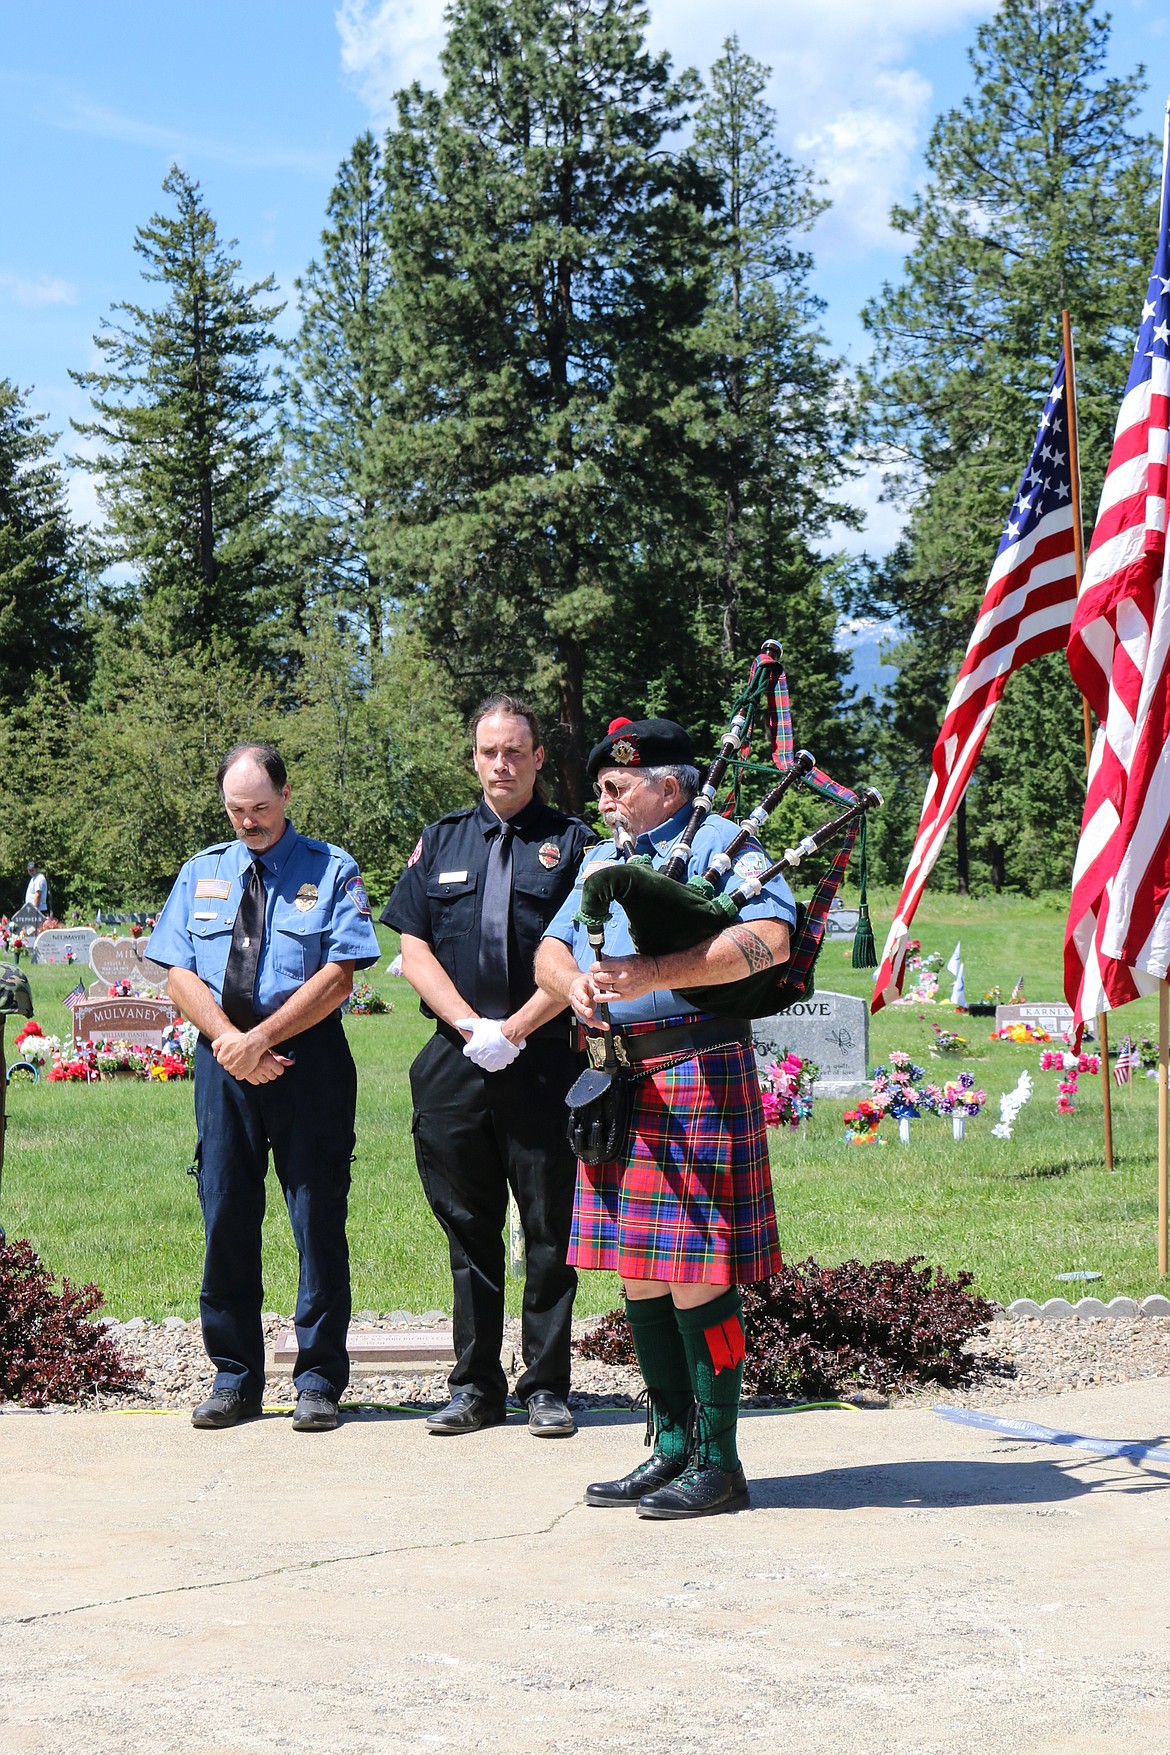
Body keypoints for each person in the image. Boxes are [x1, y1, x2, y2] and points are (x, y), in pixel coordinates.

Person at [535, 716, 794, 1519]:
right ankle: (671, 1444)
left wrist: (655, 969)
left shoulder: (727, 844)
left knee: (697, 1269)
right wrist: (571, 984)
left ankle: (720, 1460)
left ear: (669, 786)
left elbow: (771, 941)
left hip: (695, 1063)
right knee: (640, 1267)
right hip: (617, 1073)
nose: (604, 799)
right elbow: (552, 947)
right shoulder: (602, 857)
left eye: (617, 786)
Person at [148, 743, 381, 1434]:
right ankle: (235, 1377)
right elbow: (177, 971)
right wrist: (230, 1041)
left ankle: (317, 1380)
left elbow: (340, 974)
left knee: (316, 1219)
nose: (248, 820)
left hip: (307, 1063)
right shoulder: (202, 871)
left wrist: (263, 1038)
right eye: (236, 808)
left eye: (260, 806)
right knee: (224, 1213)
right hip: (225, 1065)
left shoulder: (330, 868)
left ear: (286, 794)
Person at [382, 695, 593, 1438]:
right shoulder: (439, 842)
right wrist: (471, 1025)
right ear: (472, 757)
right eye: (488, 751)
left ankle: (546, 1387)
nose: (500, 763)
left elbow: (581, 954)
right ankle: (475, 1386)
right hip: (457, 1060)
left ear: (538, 758)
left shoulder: (573, 845)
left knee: (548, 1230)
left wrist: (518, 1027)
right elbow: (413, 947)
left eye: (515, 751)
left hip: (542, 1062)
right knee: (468, 1231)